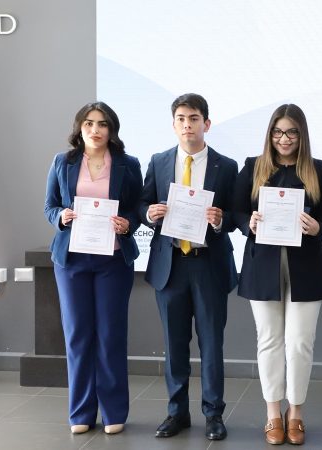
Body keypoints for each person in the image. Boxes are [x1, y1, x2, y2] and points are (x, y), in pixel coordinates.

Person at [233, 104, 322, 446]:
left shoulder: (318, 170)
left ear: (301, 134)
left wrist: (319, 227)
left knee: (300, 343)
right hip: (262, 267)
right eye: (278, 132)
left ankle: (296, 413)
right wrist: (247, 222)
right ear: (270, 134)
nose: (284, 139)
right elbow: (235, 210)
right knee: (269, 340)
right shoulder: (254, 167)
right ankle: (273, 414)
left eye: (291, 132)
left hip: (306, 268)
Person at [138, 93, 238, 441]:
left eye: (194, 118)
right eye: (181, 119)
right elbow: (141, 203)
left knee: (211, 344)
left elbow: (237, 214)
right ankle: (177, 412)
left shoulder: (226, 166)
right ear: (173, 124)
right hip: (171, 266)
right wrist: (148, 213)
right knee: (175, 344)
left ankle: (213, 414)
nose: (187, 125)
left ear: (206, 123)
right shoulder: (159, 161)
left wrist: (221, 219)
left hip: (208, 264)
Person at [44, 101, 143, 435]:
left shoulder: (128, 164)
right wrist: (61, 216)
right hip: (72, 260)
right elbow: (49, 206)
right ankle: (81, 413)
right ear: (80, 128)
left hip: (112, 259)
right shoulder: (63, 162)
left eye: (102, 124)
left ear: (111, 129)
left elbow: (137, 208)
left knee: (110, 335)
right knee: (77, 335)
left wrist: (127, 223)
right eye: (89, 123)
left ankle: (114, 412)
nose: (95, 130)